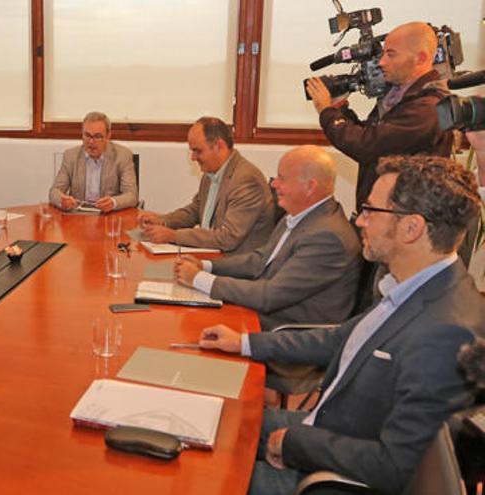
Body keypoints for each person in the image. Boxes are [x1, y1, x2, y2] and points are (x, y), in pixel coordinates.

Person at [198, 155, 484, 495]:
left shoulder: (446, 331)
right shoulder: (417, 285)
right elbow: (339, 339)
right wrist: (245, 343)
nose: (360, 220)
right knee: (210, 419)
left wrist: (294, 444)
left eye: (370, 211)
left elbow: (393, 466)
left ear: (412, 228)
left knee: (200, 479)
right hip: (331, 425)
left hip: (335, 472)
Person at [174, 145, 360, 331]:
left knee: (189, 327)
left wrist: (199, 279)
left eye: (282, 178)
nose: (273, 184)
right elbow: (261, 260)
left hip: (284, 332)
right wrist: (207, 266)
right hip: (261, 317)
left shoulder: (327, 237)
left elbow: (270, 296)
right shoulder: (298, 216)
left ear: (310, 186)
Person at [306, 22, 452, 210]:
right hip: (384, 214)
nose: (381, 62)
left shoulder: (428, 107)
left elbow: (367, 146)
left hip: (403, 218)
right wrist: (339, 108)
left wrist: (327, 112)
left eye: (391, 54)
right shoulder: (397, 97)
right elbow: (370, 134)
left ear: (420, 59)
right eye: (383, 54)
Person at [139, 117, 274, 254]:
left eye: (198, 151)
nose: (193, 157)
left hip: (235, 261)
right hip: (211, 252)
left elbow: (228, 238)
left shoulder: (246, 180)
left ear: (219, 146)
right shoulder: (211, 172)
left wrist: (174, 236)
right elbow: (196, 210)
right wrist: (163, 221)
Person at [48, 111, 137, 212]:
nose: (91, 142)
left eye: (97, 136)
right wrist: (62, 200)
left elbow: (131, 195)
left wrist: (113, 202)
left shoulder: (122, 156)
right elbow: (54, 191)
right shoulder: (71, 156)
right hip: (79, 214)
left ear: (108, 136)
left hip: (109, 215)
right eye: (87, 135)